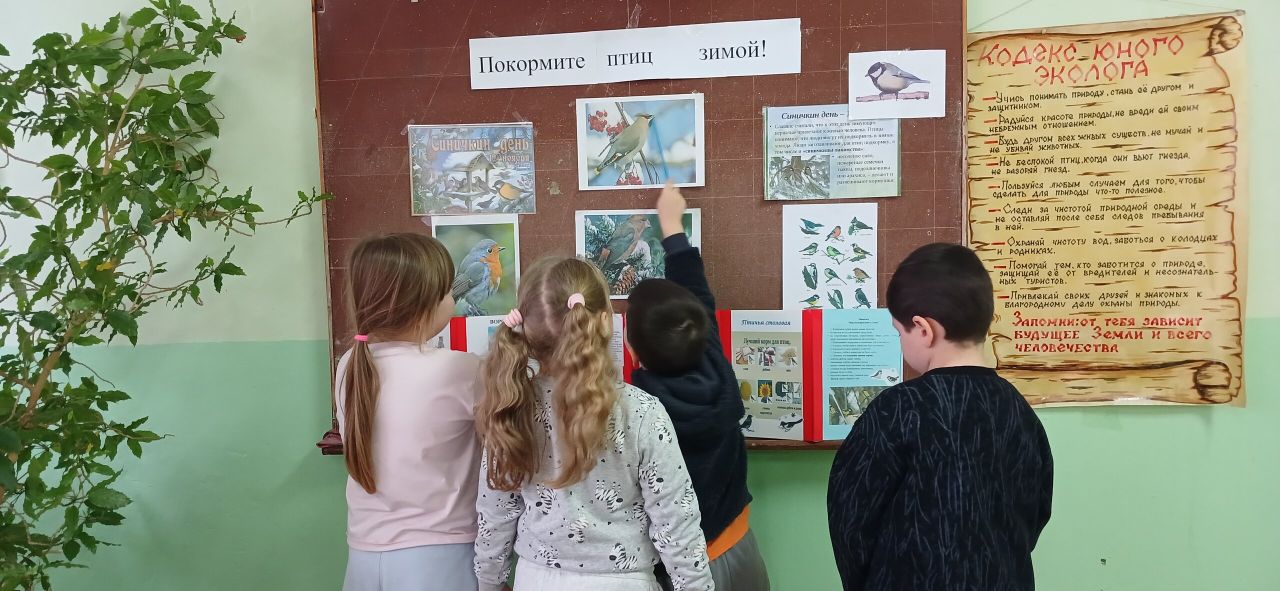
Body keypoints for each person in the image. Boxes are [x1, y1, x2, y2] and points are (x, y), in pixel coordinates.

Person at [473, 256, 713, 591]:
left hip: (536, 580)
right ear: (603, 322)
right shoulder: (642, 412)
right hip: (624, 582)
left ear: (525, 329)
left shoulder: (511, 406)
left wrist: (489, 582)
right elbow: (677, 523)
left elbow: (495, 515)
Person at [827, 243, 1054, 591]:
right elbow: (1036, 510)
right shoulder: (1018, 409)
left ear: (923, 329)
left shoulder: (896, 410)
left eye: (898, 332)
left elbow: (851, 519)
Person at [626, 182, 770, 591]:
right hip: (740, 551)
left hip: (678, 570)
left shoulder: (639, 410)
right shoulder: (716, 366)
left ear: (632, 352)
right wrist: (672, 226)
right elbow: (697, 293)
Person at [335, 233, 484, 591]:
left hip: (364, 556)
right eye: (447, 292)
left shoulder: (349, 365)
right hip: (440, 557)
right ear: (422, 304)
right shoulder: (461, 369)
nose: (453, 298)